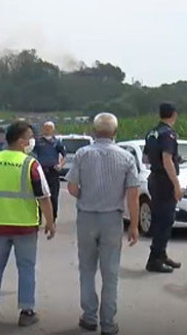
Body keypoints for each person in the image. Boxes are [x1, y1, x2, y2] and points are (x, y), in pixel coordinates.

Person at [66, 113, 140, 335]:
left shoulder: (82, 154)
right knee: (110, 272)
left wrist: (84, 195)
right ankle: (108, 322)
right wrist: (134, 225)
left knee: (87, 269)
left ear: (93, 131)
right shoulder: (125, 157)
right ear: (115, 132)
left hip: (87, 216)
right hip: (112, 218)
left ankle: (89, 317)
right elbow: (133, 194)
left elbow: (71, 186)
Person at [0, 120, 55, 327]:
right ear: (22, 141)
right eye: (30, 137)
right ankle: (27, 310)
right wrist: (50, 222)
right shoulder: (30, 164)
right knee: (26, 268)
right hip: (25, 226)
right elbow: (44, 197)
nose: (32, 141)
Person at [143, 102, 183, 273]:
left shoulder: (152, 132)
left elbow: (146, 158)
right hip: (164, 181)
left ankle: (161, 254)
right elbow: (167, 159)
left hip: (154, 178)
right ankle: (154, 259)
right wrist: (176, 184)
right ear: (174, 114)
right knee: (165, 220)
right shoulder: (168, 134)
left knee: (162, 218)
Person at [33, 121, 66, 220]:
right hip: (41, 171)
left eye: (49, 128)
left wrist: (60, 165)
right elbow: (31, 153)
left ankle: (52, 218)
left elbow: (64, 155)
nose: (47, 130)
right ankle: (38, 218)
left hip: (53, 172)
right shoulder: (38, 141)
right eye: (46, 128)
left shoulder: (57, 142)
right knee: (39, 195)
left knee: (53, 197)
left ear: (53, 129)